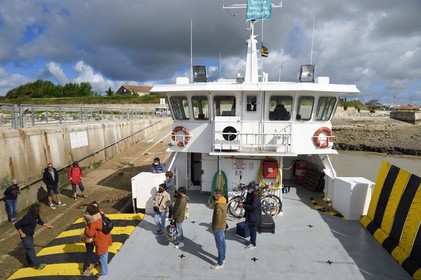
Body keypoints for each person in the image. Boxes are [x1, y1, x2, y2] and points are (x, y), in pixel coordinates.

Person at [14, 203, 53, 270]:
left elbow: (40, 222)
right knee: (31, 249)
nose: (40, 210)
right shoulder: (28, 217)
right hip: (25, 236)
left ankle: (28, 263)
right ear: (35, 210)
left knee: (29, 249)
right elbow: (17, 224)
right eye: (39, 209)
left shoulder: (36, 216)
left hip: (30, 234)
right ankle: (38, 265)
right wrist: (21, 233)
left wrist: (47, 226)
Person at [85, 203, 112, 278]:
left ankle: (104, 271)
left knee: (102, 255)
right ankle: (104, 265)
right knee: (105, 253)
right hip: (106, 237)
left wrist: (87, 227)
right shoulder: (101, 214)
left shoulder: (94, 222)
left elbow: (90, 234)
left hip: (100, 240)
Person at [80, 201, 100, 277]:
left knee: (91, 251)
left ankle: (89, 265)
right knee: (89, 252)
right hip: (89, 236)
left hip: (90, 235)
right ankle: (85, 270)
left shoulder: (89, 216)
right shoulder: (90, 217)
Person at [210, 189, 227, 270]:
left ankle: (220, 263)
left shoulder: (218, 205)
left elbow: (218, 219)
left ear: (218, 195)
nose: (213, 196)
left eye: (214, 195)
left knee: (219, 245)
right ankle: (223, 258)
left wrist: (214, 228)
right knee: (223, 243)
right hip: (223, 226)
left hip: (218, 228)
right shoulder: (224, 202)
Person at [242, 182, 262, 249]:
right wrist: (243, 203)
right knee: (250, 229)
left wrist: (244, 205)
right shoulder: (250, 193)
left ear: (253, 188)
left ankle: (253, 244)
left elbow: (253, 207)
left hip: (254, 216)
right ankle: (251, 240)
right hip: (250, 215)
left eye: (249, 188)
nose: (248, 189)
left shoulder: (256, 196)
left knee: (253, 230)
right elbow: (248, 202)